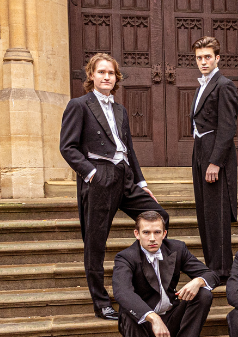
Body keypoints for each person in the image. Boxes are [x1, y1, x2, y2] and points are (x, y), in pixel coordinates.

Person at [60, 53, 169, 321]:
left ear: (116, 77)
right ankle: (102, 302)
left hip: (125, 177)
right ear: (92, 76)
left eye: (111, 73)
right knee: (95, 243)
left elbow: (129, 149)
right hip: (100, 178)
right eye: (101, 72)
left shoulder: (120, 110)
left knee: (159, 217)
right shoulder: (79, 105)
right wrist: (92, 174)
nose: (106, 77)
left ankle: (145, 284)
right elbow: (68, 147)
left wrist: (141, 183)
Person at [112, 211, 219, 337]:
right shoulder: (126, 257)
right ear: (137, 234)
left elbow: (211, 275)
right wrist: (153, 318)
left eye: (157, 232)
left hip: (172, 320)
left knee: (204, 294)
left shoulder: (177, 248)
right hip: (143, 328)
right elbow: (122, 292)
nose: (152, 238)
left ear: (164, 233)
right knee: (127, 312)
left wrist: (198, 281)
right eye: (146, 232)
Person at [190, 36, 238, 283]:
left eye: (208, 56)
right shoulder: (201, 86)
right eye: (199, 57)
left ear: (218, 58)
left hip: (215, 157)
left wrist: (216, 162)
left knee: (217, 214)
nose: (203, 61)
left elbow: (228, 128)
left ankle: (222, 270)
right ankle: (212, 266)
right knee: (204, 213)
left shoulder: (224, 84)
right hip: (200, 152)